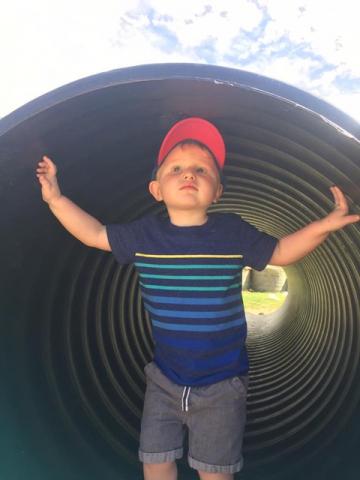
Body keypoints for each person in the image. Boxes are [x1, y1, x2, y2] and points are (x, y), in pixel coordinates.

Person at [36, 117, 359, 480]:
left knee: (214, 471)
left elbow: (281, 251)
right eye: (176, 168)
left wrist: (324, 226)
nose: (189, 173)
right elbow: (95, 234)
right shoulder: (144, 236)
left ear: (218, 191)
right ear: (156, 189)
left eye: (202, 169)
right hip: (164, 380)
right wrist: (56, 199)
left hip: (223, 385)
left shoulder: (232, 231)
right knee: (155, 461)